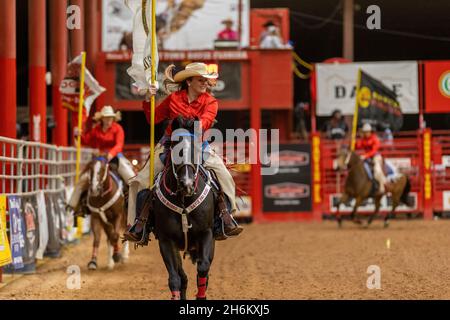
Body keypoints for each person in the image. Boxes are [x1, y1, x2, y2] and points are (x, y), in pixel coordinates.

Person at [124, 62, 243, 242]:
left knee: (224, 175)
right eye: (200, 80)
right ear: (189, 82)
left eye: (206, 80)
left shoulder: (210, 101)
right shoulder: (173, 99)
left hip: (198, 145)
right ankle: (139, 224)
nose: (205, 83)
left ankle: (226, 218)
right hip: (170, 144)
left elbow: (207, 121)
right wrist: (148, 99)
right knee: (140, 180)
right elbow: (153, 118)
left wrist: (193, 124)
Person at [67, 106, 135, 213]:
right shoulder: (96, 129)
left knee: (131, 178)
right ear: (102, 118)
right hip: (99, 158)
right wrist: (78, 135)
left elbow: (119, 145)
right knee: (83, 180)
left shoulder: (118, 129)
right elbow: (86, 141)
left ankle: (135, 205)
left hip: (116, 157)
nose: (108, 120)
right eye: (106, 118)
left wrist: (110, 154)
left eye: (110, 118)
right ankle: (74, 206)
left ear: (113, 119)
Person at [355, 123, 387, 193]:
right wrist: (355, 140)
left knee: (377, 169)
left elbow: (374, 150)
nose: (366, 133)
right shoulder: (363, 139)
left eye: (367, 132)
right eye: (364, 132)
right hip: (366, 157)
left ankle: (382, 186)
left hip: (375, 156)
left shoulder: (375, 138)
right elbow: (358, 146)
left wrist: (365, 156)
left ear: (370, 132)